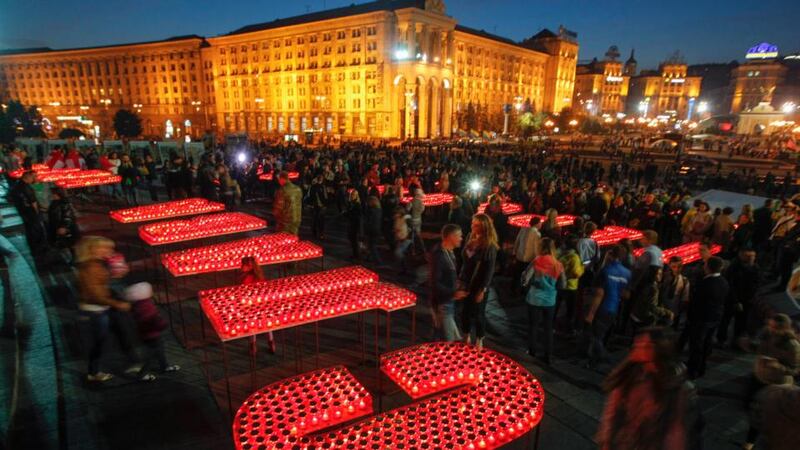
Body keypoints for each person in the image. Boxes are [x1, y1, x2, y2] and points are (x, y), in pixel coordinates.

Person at [597, 328, 703, 450]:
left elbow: (678, 429)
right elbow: (612, 412)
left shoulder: (677, 386)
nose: (638, 348)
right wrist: (606, 441)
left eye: (645, 346)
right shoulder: (630, 375)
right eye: (638, 344)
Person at [75, 236, 140, 382]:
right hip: (94, 311)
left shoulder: (96, 264)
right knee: (99, 342)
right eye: (105, 248)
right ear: (93, 250)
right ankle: (93, 373)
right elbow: (96, 295)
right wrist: (119, 304)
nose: (110, 251)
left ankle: (133, 361)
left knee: (120, 333)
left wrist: (115, 273)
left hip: (101, 308)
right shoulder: (91, 267)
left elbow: (101, 284)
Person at [743, 313, 800, 449]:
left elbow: (795, 370)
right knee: (755, 409)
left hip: (777, 384)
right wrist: (749, 345)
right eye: (770, 326)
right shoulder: (766, 335)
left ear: (785, 328)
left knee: (768, 414)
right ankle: (749, 442)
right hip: (759, 377)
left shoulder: (792, 345)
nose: (771, 330)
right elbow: (759, 349)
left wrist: (778, 366)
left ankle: (758, 442)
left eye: (775, 328)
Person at [455, 213, 498, 348]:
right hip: (465, 281)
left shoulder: (489, 246)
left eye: (476, 225)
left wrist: (483, 290)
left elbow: (489, 270)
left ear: (484, 227)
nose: (472, 226)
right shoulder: (469, 237)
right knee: (465, 311)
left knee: (478, 313)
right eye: (472, 223)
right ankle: (466, 334)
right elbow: (464, 260)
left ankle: (480, 337)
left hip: (478, 284)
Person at [586, 245, 631, 369]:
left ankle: (601, 359)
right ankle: (595, 360)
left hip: (602, 307)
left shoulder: (606, 270)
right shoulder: (627, 273)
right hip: (614, 307)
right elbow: (626, 294)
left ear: (610, 255)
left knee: (596, 336)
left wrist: (591, 313)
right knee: (603, 335)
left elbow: (599, 293)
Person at [123, 282, 180, 381]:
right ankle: (142, 374)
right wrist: (162, 324)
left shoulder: (138, 304)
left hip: (146, 333)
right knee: (151, 355)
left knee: (160, 350)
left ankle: (164, 366)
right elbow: (153, 321)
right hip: (151, 334)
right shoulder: (146, 307)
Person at [522, 237, 564, 364]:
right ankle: (548, 354)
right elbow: (562, 284)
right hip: (550, 300)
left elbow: (525, 279)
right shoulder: (558, 264)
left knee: (533, 326)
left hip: (534, 298)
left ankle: (532, 350)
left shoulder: (536, 261)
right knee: (548, 327)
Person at [686, 256, 729, 379]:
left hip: (702, 318)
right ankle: (701, 367)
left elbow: (697, 302)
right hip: (715, 317)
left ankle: (693, 368)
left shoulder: (705, 283)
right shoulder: (724, 282)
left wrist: (691, 316)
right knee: (707, 343)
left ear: (708, 267)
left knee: (697, 344)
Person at [717, 248, 761, 349]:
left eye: (752, 256)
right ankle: (721, 340)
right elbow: (731, 285)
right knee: (725, 320)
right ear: (741, 256)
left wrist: (751, 298)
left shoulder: (755, 269)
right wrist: (736, 301)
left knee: (741, 322)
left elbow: (757, 284)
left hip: (746, 300)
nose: (751, 259)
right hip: (732, 300)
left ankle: (736, 341)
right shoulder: (734, 268)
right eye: (748, 256)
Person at [429, 224, 464, 342]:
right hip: (443, 302)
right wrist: (453, 293)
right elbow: (435, 282)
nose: (461, 238)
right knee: (450, 339)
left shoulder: (449, 252)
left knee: (440, 332)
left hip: (447, 300)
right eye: (459, 236)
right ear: (450, 237)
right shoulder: (439, 256)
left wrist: (455, 282)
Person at [238, 257, 276, 352]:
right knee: (267, 323)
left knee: (253, 325)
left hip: (252, 304)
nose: (241, 267)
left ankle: (253, 344)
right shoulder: (259, 276)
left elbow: (244, 291)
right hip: (262, 303)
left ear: (250, 267)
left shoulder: (247, 278)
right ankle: (271, 343)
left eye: (244, 265)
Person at [9, 170, 48, 256]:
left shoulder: (17, 186)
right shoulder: (27, 188)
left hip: (23, 212)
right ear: (28, 177)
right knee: (36, 231)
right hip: (31, 213)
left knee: (30, 230)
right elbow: (33, 202)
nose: (35, 178)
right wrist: (37, 213)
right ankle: (39, 250)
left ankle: (34, 248)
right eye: (33, 177)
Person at [629, 266, 673, 331]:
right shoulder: (653, 288)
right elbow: (652, 307)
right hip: (642, 317)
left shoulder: (647, 284)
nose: (661, 276)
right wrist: (667, 313)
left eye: (661, 274)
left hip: (635, 314)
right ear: (653, 275)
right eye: (658, 274)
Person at [556, 234, 583, 335]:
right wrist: (582, 268)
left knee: (557, 305)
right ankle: (568, 329)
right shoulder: (575, 257)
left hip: (560, 284)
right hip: (571, 285)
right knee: (570, 309)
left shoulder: (560, 254)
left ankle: (551, 324)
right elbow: (576, 273)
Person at [47, 187, 80, 262]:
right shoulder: (54, 203)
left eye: (53, 194)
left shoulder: (64, 203)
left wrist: (64, 227)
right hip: (58, 226)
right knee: (64, 243)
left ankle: (74, 259)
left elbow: (67, 216)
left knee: (70, 244)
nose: (51, 195)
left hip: (66, 228)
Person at [511, 216, 541, 295]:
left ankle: (514, 290)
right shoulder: (537, 234)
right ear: (537, 224)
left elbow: (517, 241)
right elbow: (536, 248)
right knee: (526, 276)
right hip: (529, 259)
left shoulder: (523, 229)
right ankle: (523, 291)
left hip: (519, 256)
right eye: (540, 223)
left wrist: (514, 252)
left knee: (517, 275)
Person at [660, 256, 690, 331]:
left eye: (679, 267)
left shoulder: (685, 281)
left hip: (674, 313)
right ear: (669, 266)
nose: (676, 269)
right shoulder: (662, 277)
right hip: (661, 311)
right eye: (674, 266)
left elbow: (684, 299)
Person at [273, 171, 303, 235]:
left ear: (282, 179)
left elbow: (278, 208)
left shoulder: (282, 190)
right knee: (293, 239)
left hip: (285, 221)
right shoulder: (298, 189)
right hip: (296, 218)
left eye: (279, 179)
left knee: (284, 240)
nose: (279, 181)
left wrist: (276, 217)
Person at [363, 196, 383, 265]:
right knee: (370, 245)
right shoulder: (379, 209)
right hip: (376, 229)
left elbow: (369, 221)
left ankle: (378, 262)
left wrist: (365, 229)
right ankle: (369, 257)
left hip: (372, 230)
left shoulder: (372, 211)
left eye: (369, 202)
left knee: (372, 246)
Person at [309, 174, 328, 239]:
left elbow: (310, 196)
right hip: (321, 205)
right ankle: (321, 234)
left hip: (315, 205)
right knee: (321, 220)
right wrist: (325, 204)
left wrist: (310, 204)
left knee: (314, 219)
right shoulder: (323, 187)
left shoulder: (313, 186)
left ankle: (314, 233)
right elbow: (325, 197)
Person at [346, 189, 362, 259]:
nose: (352, 196)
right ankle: (355, 254)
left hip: (355, 224)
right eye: (352, 194)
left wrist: (349, 214)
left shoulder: (357, 204)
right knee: (352, 240)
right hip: (351, 223)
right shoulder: (351, 203)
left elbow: (356, 215)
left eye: (354, 195)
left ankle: (357, 255)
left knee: (354, 240)